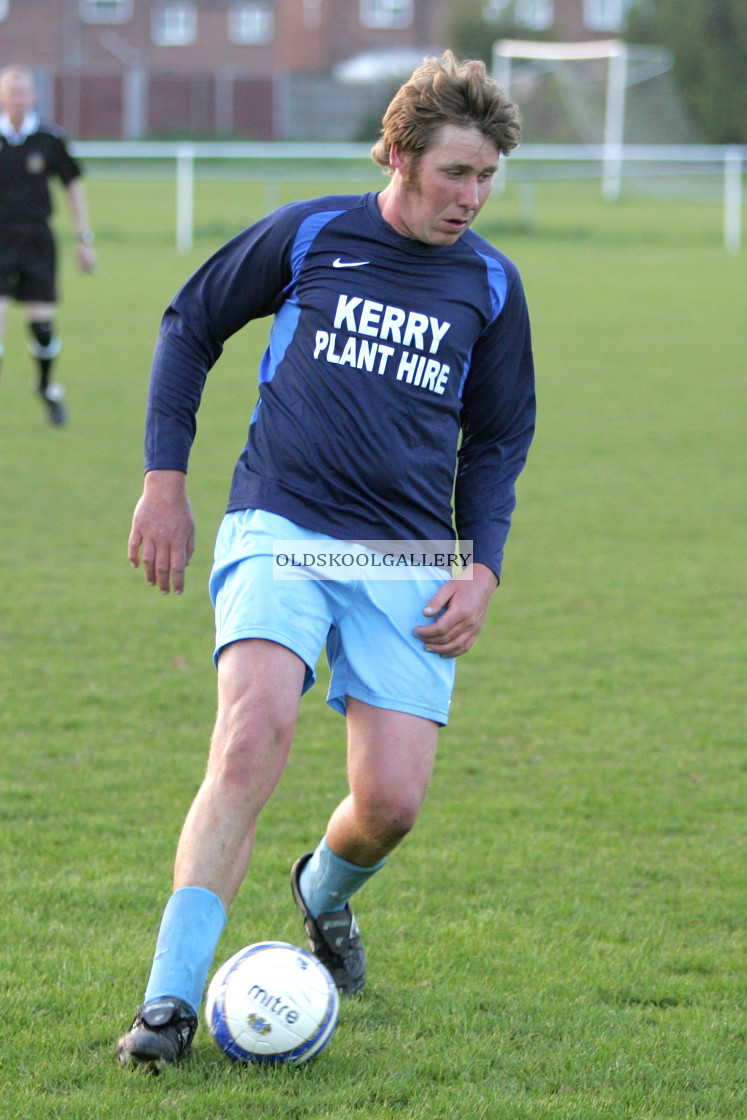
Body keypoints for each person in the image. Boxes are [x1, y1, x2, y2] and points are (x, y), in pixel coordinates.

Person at [117, 50, 536, 1071]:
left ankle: (321, 892)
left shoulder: (489, 284)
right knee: (253, 730)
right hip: (282, 523)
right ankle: (168, 1005)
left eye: (486, 177)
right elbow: (190, 324)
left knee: (391, 802)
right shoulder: (313, 233)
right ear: (396, 155)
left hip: (408, 551)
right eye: (453, 174)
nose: (471, 198)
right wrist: (163, 479)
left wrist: (481, 567)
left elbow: (497, 439)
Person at [0, 64, 96, 425]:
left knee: (41, 326)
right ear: (1, 97)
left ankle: (45, 387)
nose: (16, 98)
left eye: (22, 91)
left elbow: (73, 186)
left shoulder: (49, 139)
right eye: (10, 91)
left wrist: (84, 240)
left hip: (37, 240)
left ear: (33, 97)